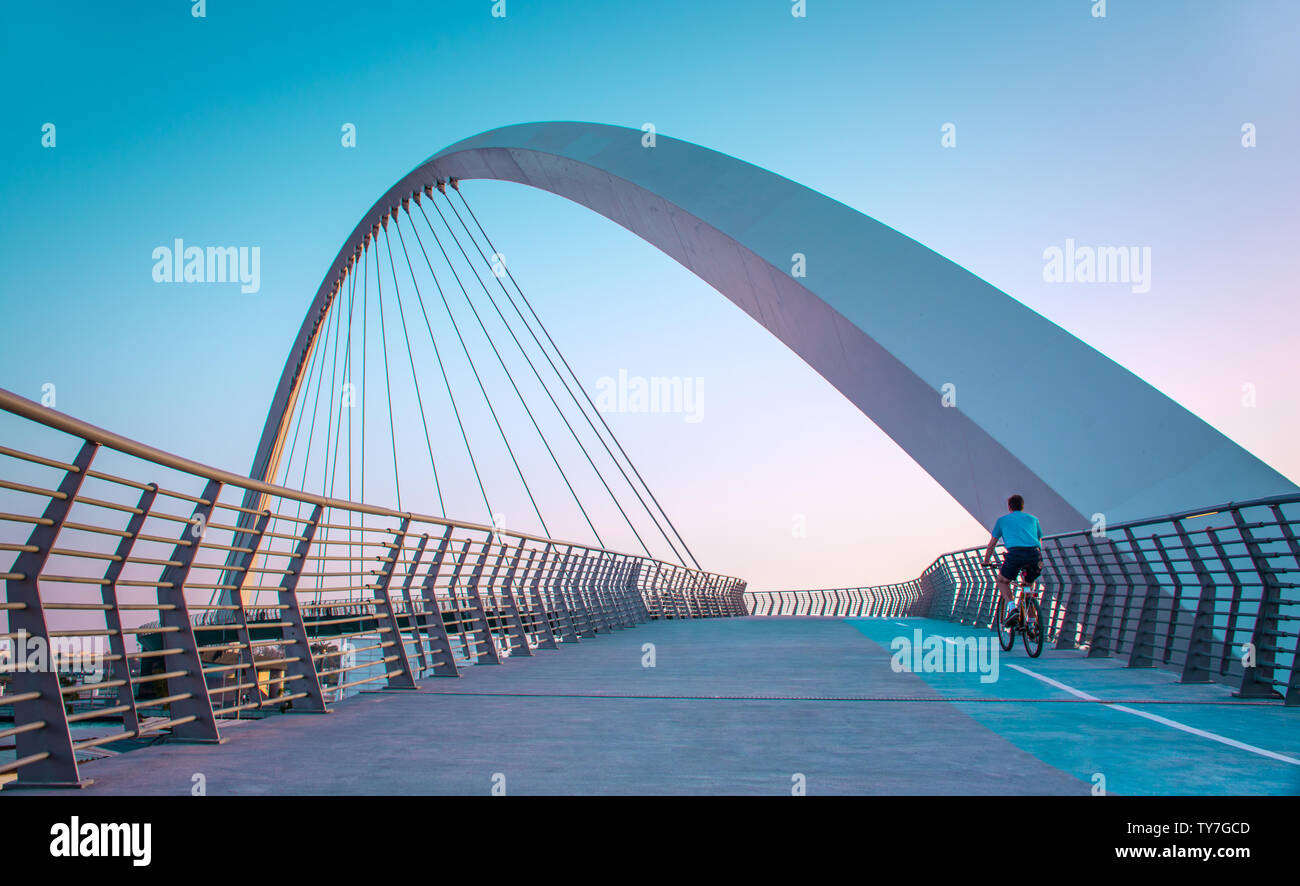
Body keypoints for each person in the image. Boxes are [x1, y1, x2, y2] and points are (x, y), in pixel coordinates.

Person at [981, 494, 1043, 626]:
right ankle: (1032, 624)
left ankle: (1012, 608)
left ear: (1009, 507)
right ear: (1022, 506)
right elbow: (1039, 540)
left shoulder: (1002, 520)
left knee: (1002, 581)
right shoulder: (1033, 519)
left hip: (1015, 554)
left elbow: (992, 544)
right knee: (1028, 587)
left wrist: (986, 560)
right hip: (1035, 555)